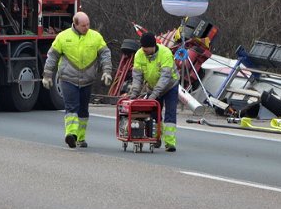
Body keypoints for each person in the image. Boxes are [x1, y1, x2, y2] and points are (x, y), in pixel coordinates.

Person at [42, 12, 112, 148]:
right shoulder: (63, 37)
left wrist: (107, 72)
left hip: (87, 79)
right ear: (75, 24)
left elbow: (105, 54)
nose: (86, 27)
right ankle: (71, 135)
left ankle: (81, 138)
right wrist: (47, 75)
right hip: (68, 78)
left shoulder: (96, 37)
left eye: (88, 25)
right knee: (71, 107)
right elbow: (52, 57)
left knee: (83, 110)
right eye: (83, 25)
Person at [129, 33, 179, 152]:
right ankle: (156, 138)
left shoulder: (165, 53)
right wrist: (134, 93)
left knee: (170, 113)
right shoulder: (139, 54)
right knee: (154, 114)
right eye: (143, 49)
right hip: (152, 87)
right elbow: (137, 77)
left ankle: (170, 143)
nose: (144, 51)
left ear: (153, 46)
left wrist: (153, 96)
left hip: (170, 86)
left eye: (146, 49)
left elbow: (165, 77)